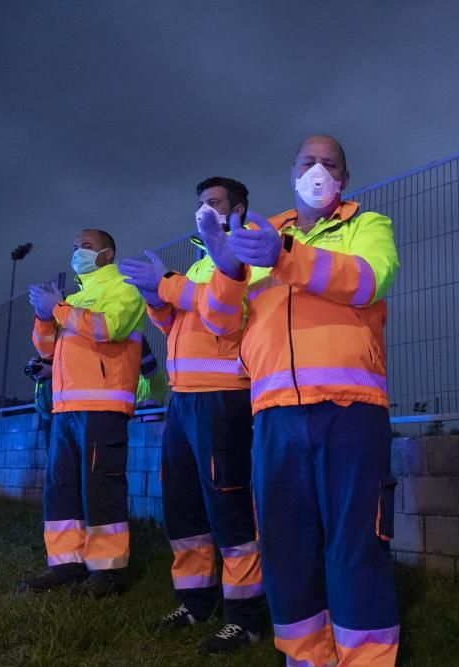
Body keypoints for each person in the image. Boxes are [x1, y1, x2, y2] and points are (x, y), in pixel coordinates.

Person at [195, 135, 401, 666]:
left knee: (357, 547)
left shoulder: (367, 227)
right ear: (291, 171)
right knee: (286, 547)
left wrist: (285, 256)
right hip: (275, 416)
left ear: (345, 179)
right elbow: (221, 324)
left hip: (350, 409)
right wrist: (226, 269)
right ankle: (306, 657)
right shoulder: (260, 236)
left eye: (329, 164)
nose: (318, 171)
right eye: (308, 162)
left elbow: (369, 281)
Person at [118, 177, 267, 655]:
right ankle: (195, 602)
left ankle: (245, 617)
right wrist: (155, 298)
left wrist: (169, 286)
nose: (204, 209)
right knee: (184, 507)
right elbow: (177, 322)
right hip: (183, 400)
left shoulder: (249, 255)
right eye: (200, 202)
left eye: (215, 202)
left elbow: (223, 311)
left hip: (224, 398)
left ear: (237, 209)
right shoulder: (203, 263)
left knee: (229, 507)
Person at [20, 228, 146, 597]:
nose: (78, 252)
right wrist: (44, 317)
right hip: (66, 407)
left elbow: (110, 327)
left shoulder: (123, 286)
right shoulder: (76, 297)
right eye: (75, 247)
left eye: (87, 247)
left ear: (107, 253)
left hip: (103, 405)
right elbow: (46, 347)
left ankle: (108, 573)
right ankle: (66, 564)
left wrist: (57, 308)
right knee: (61, 490)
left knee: (100, 487)